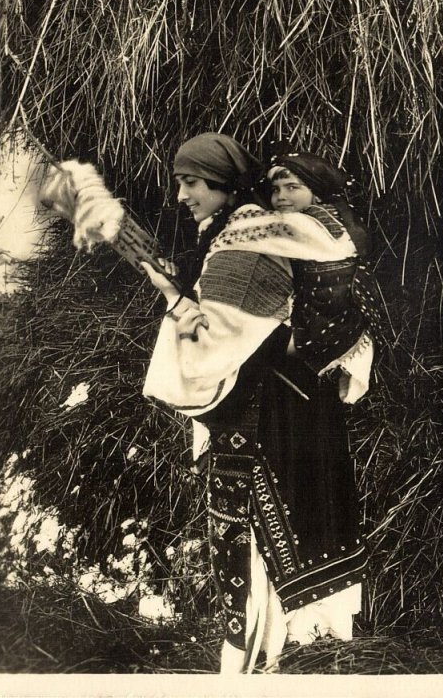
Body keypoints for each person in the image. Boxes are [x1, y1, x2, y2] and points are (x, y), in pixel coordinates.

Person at [141, 133, 374, 673]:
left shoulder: (244, 234)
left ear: (222, 183)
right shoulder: (250, 230)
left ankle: (255, 663)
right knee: (285, 531)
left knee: (249, 540)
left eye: (191, 183)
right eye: (179, 183)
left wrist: (177, 303)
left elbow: (220, 337)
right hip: (293, 405)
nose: (182, 195)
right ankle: (290, 653)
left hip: (263, 414)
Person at [265, 150, 385, 403]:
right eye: (275, 189)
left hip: (323, 328)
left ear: (316, 193)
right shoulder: (339, 215)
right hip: (337, 322)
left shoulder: (313, 222)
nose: (281, 197)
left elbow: (256, 235)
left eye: (292, 187)